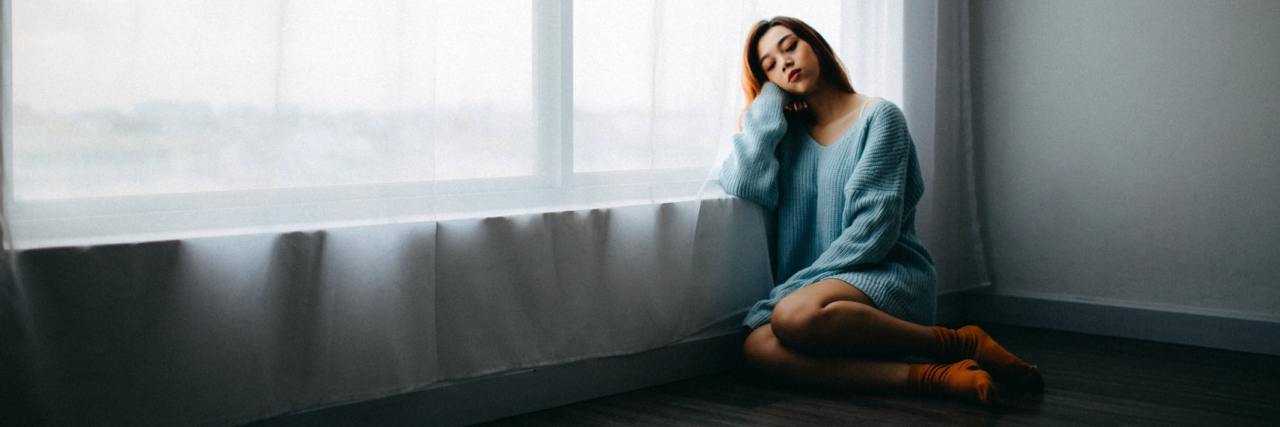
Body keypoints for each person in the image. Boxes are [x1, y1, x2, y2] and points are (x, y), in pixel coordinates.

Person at [720, 16, 1043, 406]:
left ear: (815, 44)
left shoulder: (879, 117)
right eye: (769, 64)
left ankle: (955, 341)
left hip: (884, 274)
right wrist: (770, 99)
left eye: (789, 46)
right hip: (817, 302)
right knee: (757, 348)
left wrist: (789, 293)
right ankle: (930, 377)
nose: (785, 62)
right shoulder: (787, 138)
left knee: (789, 316)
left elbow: (874, 231)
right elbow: (744, 181)